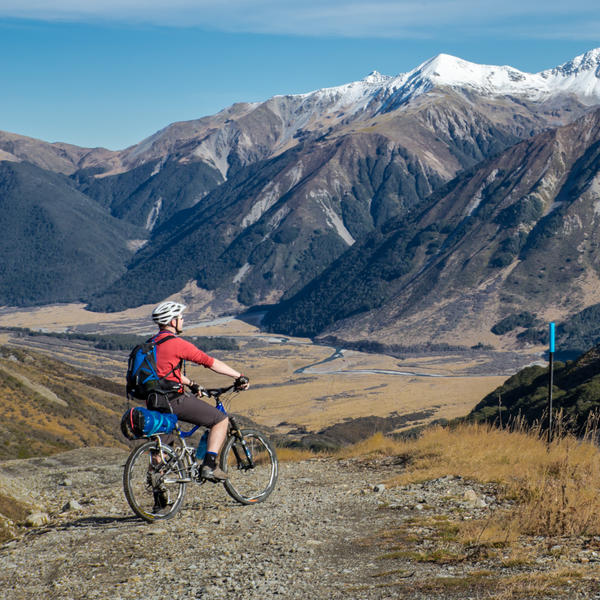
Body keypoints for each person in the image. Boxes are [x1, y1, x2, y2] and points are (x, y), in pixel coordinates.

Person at [149, 301, 249, 483]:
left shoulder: (151, 344)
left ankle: (159, 504)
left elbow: (167, 372)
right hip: (173, 400)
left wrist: (192, 384)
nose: (182, 320)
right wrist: (239, 376)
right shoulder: (176, 343)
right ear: (172, 322)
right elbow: (210, 362)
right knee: (220, 419)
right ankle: (210, 465)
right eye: (180, 317)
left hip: (153, 401)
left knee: (161, 450)